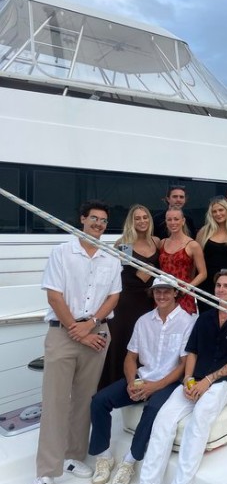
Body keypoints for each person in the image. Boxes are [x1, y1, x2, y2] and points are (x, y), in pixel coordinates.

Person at [139, 270, 227, 484]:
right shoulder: (204, 318)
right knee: (163, 419)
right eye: (218, 285)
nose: (221, 289)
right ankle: (148, 481)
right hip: (197, 379)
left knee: (200, 416)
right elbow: (191, 351)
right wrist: (188, 379)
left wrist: (208, 381)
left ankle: (181, 481)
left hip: (226, 382)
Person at [35, 200, 122, 484]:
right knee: (55, 402)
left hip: (97, 333)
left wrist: (91, 324)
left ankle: (73, 457)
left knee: (84, 400)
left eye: (103, 220)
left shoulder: (111, 259)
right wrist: (80, 331)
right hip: (64, 333)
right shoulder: (62, 252)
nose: (99, 224)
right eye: (94, 218)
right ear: (82, 219)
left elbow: (113, 298)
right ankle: (47, 470)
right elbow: (54, 296)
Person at [88, 276, 194, 484]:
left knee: (152, 410)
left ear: (175, 293)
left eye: (166, 291)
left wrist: (155, 387)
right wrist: (131, 382)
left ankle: (129, 461)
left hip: (169, 382)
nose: (161, 295)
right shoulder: (143, 321)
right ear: (152, 294)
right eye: (157, 291)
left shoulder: (188, 322)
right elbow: (130, 357)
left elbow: (183, 365)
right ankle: (104, 456)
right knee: (99, 401)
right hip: (142, 377)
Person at [99, 204, 160, 390]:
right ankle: (117, 384)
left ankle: (145, 383)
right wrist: (146, 271)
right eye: (137, 218)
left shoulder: (156, 242)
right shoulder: (124, 243)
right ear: (131, 222)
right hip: (127, 300)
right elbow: (123, 271)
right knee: (123, 341)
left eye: (145, 217)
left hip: (150, 300)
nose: (142, 221)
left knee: (146, 340)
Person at [195, 198, 227, 314]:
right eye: (214, 211)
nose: (218, 214)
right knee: (207, 317)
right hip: (206, 283)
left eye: (221, 210)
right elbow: (196, 261)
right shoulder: (203, 232)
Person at [158, 207, 207, 315]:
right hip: (163, 294)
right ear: (166, 222)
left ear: (183, 221)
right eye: (169, 219)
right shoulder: (162, 243)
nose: (173, 222)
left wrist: (186, 288)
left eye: (176, 219)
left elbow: (203, 273)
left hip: (183, 294)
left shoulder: (193, 245)